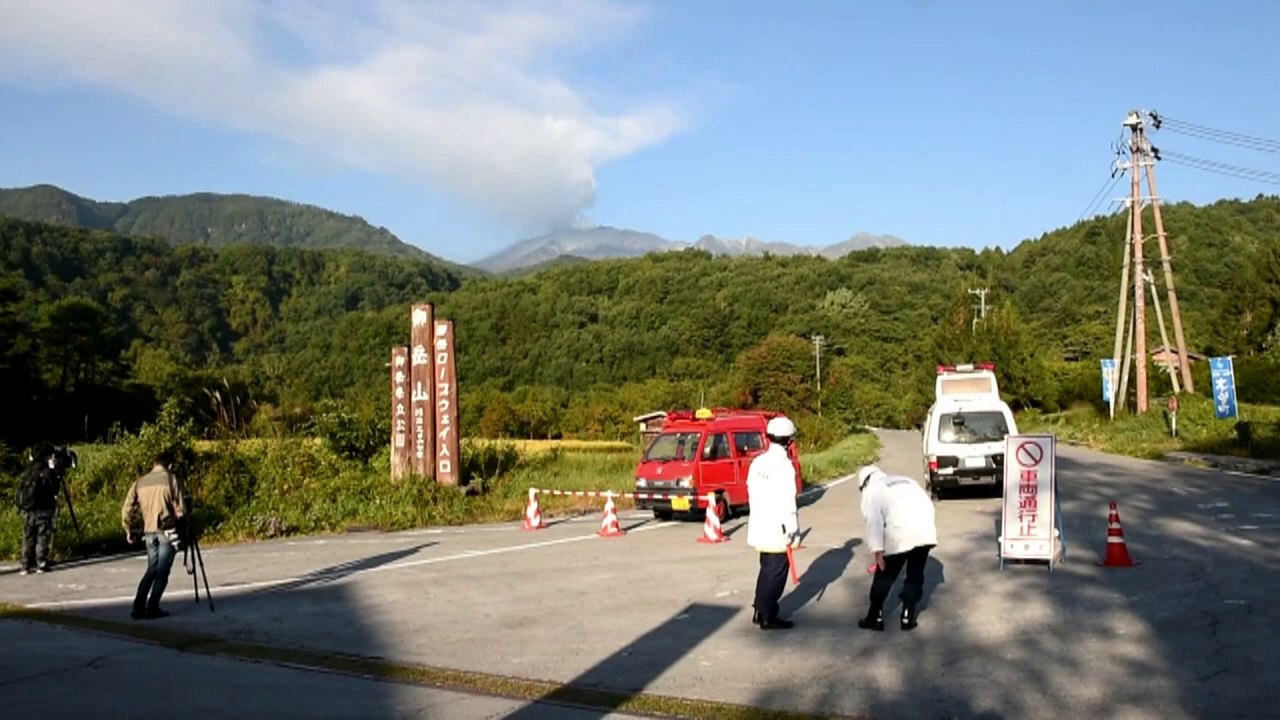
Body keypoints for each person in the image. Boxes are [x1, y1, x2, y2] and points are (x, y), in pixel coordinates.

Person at [855, 465, 938, 632]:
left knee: (884, 576)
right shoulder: (908, 481)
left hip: (899, 534)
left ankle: (875, 617)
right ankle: (908, 616)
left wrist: (878, 551)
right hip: (924, 532)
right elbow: (929, 505)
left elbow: (874, 522)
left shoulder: (871, 489)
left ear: (863, 483)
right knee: (915, 575)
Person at [745, 415, 801, 631]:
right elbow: (788, 500)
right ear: (789, 441)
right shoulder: (784, 465)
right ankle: (768, 615)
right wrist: (792, 529)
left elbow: (751, 491)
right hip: (779, 526)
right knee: (776, 571)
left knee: (766, 568)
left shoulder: (758, 462)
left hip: (760, 522)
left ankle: (760, 610)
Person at [121, 450, 186, 620]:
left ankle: (138, 606)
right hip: (167, 531)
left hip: (148, 532)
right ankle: (153, 606)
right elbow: (181, 510)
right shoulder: (171, 480)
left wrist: (128, 528)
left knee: (151, 569)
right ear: (170, 465)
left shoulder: (140, 482)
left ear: (154, 464)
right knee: (162, 571)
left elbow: (127, 508)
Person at [16, 444, 64, 574]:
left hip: (27, 510)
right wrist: (55, 470)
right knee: (42, 537)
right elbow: (54, 488)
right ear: (46, 457)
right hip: (43, 510)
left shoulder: (29, 471)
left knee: (28, 537)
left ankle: (25, 564)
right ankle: (41, 562)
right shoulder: (46, 471)